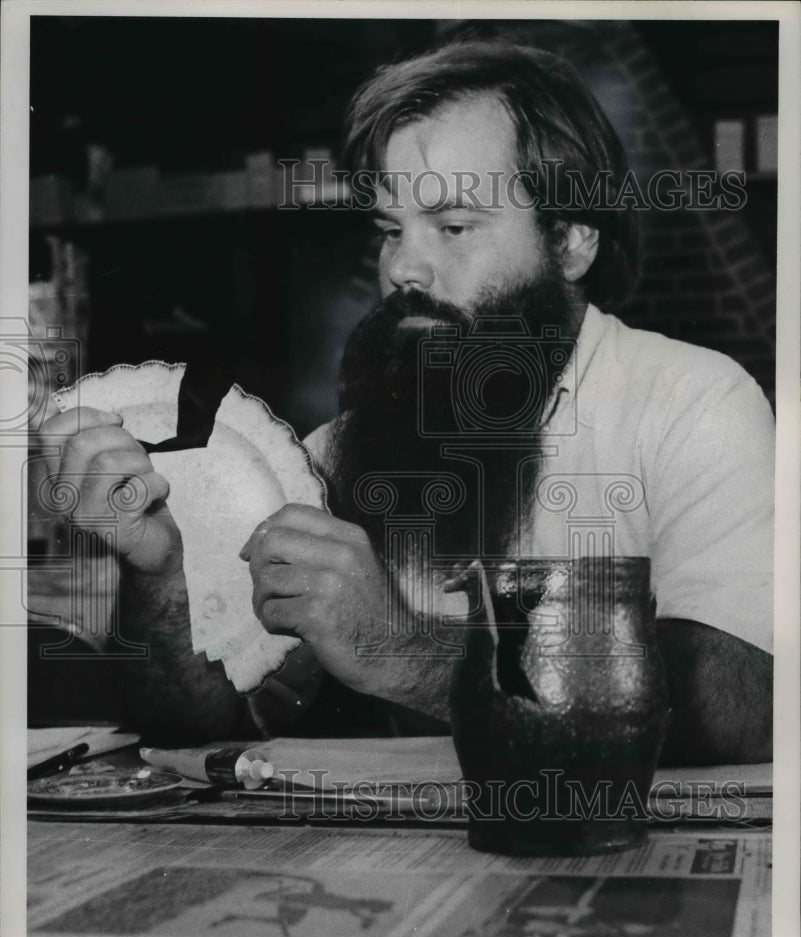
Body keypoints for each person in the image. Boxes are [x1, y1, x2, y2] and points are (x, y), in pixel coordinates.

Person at [39, 40, 773, 762]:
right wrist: (159, 577)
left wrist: (400, 648)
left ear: (572, 241)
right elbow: (201, 727)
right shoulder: (339, 452)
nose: (401, 268)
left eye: (452, 227)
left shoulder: (693, 404)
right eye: (390, 229)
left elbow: (736, 702)